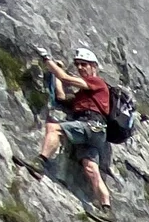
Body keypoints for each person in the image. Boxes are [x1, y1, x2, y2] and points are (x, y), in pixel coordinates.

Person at [38, 46, 112, 210]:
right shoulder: (84, 96)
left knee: (54, 128)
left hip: (90, 124)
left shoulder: (96, 82)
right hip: (97, 132)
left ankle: (40, 162)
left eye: (84, 64)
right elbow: (62, 96)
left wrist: (47, 60)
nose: (80, 68)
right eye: (78, 64)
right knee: (90, 167)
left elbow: (66, 78)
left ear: (93, 66)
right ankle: (106, 207)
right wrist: (58, 74)